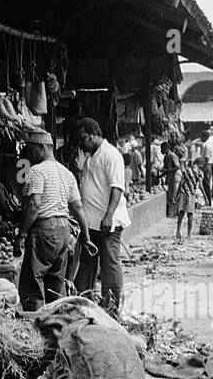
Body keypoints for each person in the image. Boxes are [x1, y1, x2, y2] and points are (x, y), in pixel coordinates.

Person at [16, 130, 94, 310]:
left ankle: (35, 325)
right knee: (56, 286)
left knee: (31, 284)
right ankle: (57, 324)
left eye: (31, 149)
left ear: (42, 148)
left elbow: (34, 206)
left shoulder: (36, 171)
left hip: (43, 231)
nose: (28, 154)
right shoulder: (66, 173)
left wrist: (22, 234)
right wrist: (86, 237)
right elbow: (78, 208)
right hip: (63, 233)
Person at [72, 118, 130, 314]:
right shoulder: (90, 157)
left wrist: (109, 215)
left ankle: (112, 308)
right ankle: (84, 304)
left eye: (84, 138)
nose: (81, 143)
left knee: (109, 265)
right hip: (91, 224)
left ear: (93, 134)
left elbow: (117, 188)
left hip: (107, 223)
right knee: (87, 264)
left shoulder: (111, 155)